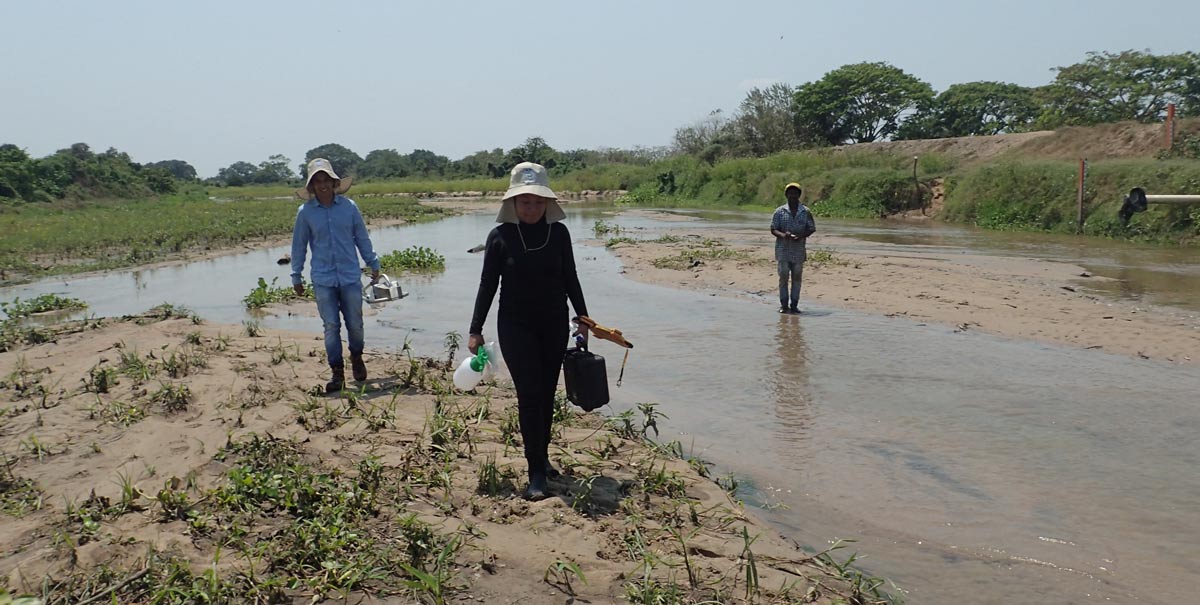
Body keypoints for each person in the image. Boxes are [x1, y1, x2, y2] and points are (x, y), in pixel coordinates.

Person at [468, 162, 589, 501]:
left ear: (548, 203)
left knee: (548, 394)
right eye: (525, 202)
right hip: (515, 325)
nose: (532, 208)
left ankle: (543, 455)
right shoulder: (499, 237)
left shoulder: (559, 234)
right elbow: (487, 285)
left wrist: (583, 317)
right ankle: (534, 469)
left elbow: (571, 278)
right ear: (513, 203)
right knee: (529, 393)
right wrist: (475, 330)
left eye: (538, 202)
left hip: (552, 324)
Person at [290, 158, 381, 393]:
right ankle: (337, 373)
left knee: (356, 324)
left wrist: (373, 262)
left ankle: (357, 357)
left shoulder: (349, 207)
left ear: (334, 182)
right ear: (311, 186)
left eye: (326, 180)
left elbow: (361, 237)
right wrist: (296, 275)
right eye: (317, 181)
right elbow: (299, 246)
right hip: (323, 279)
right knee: (331, 325)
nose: (322, 185)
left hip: (350, 276)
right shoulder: (306, 213)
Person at [769, 182, 816, 314]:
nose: (792, 196)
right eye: (790, 193)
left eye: (795, 193)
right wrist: (784, 235)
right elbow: (773, 229)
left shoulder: (806, 212)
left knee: (797, 279)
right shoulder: (779, 211)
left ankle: (794, 305)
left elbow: (811, 228)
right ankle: (784, 305)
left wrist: (801, 236)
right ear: (786, 195)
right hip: (782, 251)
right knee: (783, 278)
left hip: (798, 251)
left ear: (799, 195)